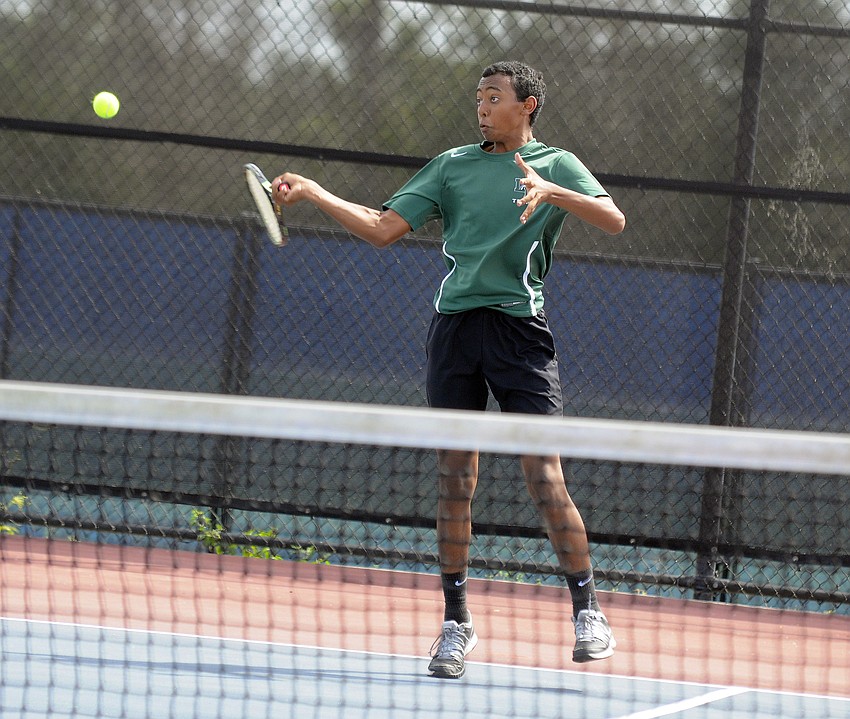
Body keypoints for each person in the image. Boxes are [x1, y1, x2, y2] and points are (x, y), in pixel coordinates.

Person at [271, 60, 626, 679]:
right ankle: (456, 623)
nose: (483, 107)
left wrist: (553, 192)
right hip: (456, 332)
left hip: (521, 336)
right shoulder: (452, 166)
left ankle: (588, 610)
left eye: (495, 97)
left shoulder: (559, 163)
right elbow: (384, 230)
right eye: (479, 98)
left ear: (528, 106)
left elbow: (613, 218)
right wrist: (315, 192)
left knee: (545, 477)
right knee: (455, 478)